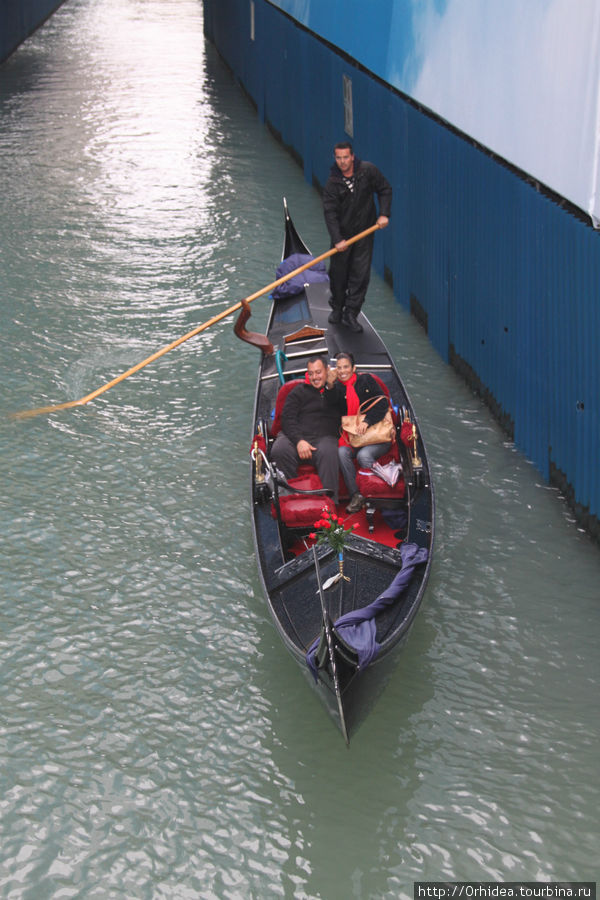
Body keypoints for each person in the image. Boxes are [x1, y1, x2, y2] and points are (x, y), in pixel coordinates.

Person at [322, 141, 392, 333]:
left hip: (364, 233)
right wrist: (337, 239)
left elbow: (385, 189)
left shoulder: (368, 172)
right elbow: (330, 214)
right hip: (342, 237)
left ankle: (351, 313)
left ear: (352, 157)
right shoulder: (332, 184)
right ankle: (337, 307)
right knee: (338, 274)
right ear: (335, 158)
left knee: (360, 275)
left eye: (346, 157)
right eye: (339, 158)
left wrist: (384, 214)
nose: (342, 162)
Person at [270, 356, 345, 502]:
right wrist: (299, 441)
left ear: (327, 370)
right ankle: (293, 499)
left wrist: (330, 386)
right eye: (311, 373)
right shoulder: (297, 392)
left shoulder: (337, 391)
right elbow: (287, 418)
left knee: (329, 452)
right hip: (297, 437)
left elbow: (344, 408)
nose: (314, 377)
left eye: (318, 372)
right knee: (279, 449)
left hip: (325, 438)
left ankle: (329, 505)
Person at [330, 352, 392, 514]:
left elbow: (382, 404)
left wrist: (367, 421)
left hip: (377, 436)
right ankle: (357, 495)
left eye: (346, 367)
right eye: (339, 368)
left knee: (363, 456)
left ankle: (375, 495)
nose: (342, 371)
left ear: (353, 368)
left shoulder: (366, 381)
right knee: (341, 452)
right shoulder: (336, 388)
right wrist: (329, 387)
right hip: (354, 438)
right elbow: (332, 410)